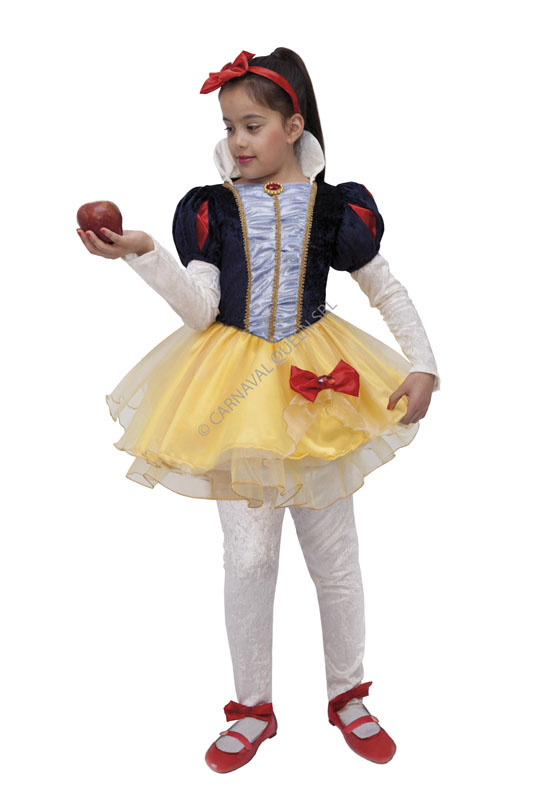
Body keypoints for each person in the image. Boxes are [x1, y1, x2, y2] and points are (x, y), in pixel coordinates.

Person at [77, 47, 440, 773]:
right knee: (248, 559)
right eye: (228, 126)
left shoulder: (336, 209)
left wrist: (423, 362)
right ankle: (252, 707)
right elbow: (200, 311)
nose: (237, 140)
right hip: (235, 394)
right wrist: (142, 253)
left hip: (320, 389)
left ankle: (348, 695)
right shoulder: (210, 209)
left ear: (292, 126)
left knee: (335, 557)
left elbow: (385, 287)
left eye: (252, 125)